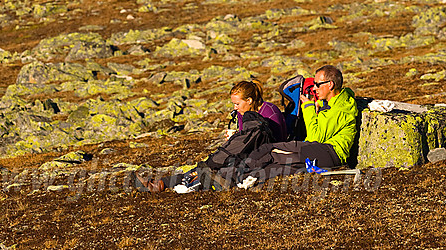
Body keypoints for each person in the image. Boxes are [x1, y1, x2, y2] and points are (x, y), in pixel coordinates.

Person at [134, 79, 281, 193]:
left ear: (249, 101)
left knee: (212, 168)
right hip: (248, 152)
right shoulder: (244, 113)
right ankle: (162, 183)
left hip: (265, 154)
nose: (234, 108)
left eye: (237, 104)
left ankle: (162, 184)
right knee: (211, 166)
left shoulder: (270, 112)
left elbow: (276, 139)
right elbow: (246, 137)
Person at [227, 65, 358, 186]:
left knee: (270, 151)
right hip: (325, 152)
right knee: (278, 165)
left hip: (330, 152)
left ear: (330, 85)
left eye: (317, 84)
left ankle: (234, 173)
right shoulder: (333, 103)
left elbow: (315, 137)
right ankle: (244, 177)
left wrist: (307, 107)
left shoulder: (339, 109)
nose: (314, 88)